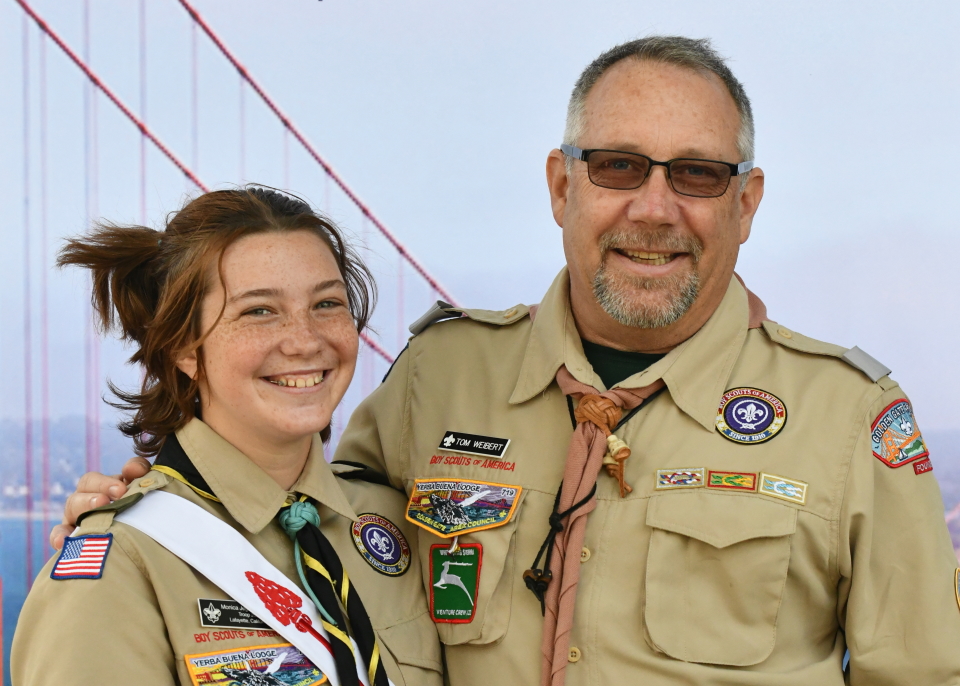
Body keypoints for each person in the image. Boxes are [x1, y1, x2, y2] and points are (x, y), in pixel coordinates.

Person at [58, 37, 960, 685]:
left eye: (696, 175)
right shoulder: (439, 378)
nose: (654, 209)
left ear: (746, 202)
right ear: (562, 186)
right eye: (617, 167)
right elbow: (314, 525)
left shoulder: (849, 419)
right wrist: (156, 513)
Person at [16, 188, 441, 686]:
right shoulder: (125, 563)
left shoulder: (400, 523)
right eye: (259, 311)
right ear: (183, 347)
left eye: (327, 303)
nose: (305, 339)